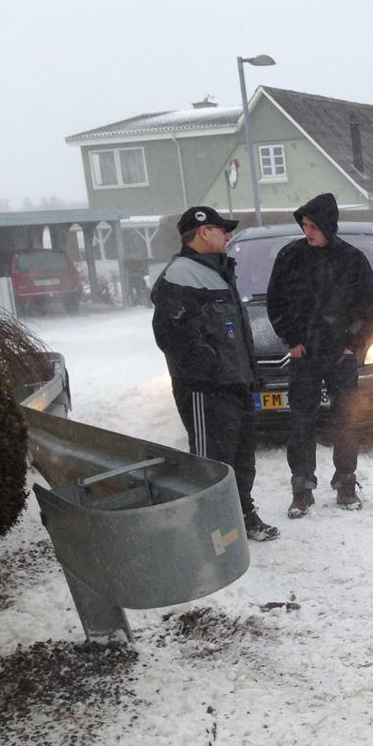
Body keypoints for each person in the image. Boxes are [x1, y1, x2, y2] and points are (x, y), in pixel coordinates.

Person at [151, 206, 279, 541]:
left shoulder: (219, 268)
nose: (228, 235)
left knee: (241, 458)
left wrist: (249, 374)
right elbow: (170, 335)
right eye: (223, 230)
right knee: (213, 462)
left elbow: (233, 330)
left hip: (236, 383)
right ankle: (212, 529)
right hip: (207, 389)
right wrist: (209, 370)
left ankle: (242, 514)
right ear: (204, 232)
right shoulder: (181, 274)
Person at [267, 193, 373, 517]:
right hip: (305, 355)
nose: (308, 232)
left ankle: (346, 483)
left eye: (313, 226)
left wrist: (353, 344)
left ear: (328, 226)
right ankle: (302, 488)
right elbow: (276, 303)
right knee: (301, 422)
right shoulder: (291, 257)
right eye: (304, 226)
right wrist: (292, 339)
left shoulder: (352, 260)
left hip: (340, 356)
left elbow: (367, 307)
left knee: (346, 419)